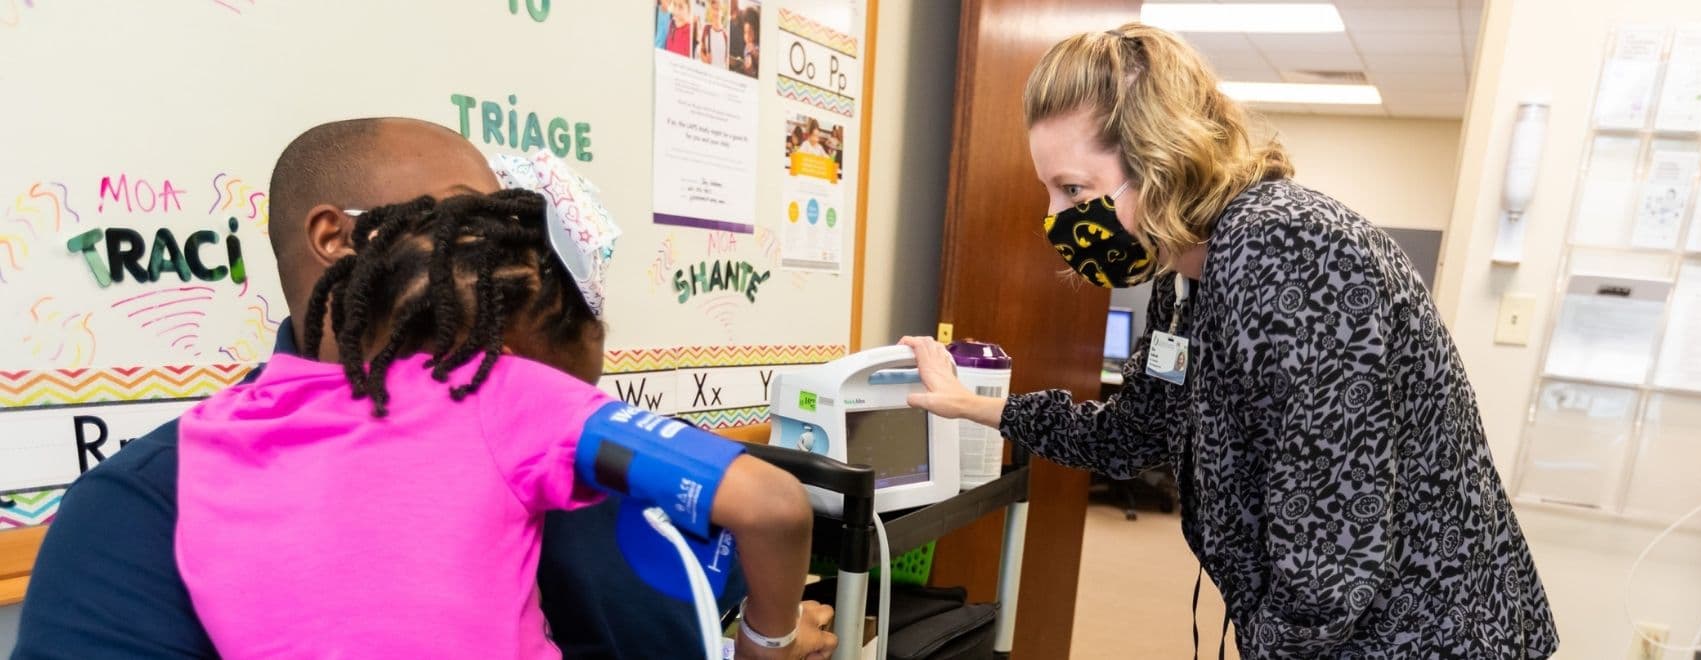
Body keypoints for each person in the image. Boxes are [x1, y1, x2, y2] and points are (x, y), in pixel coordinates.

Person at [13, 118, 836, 659]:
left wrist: (756, 642)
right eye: (463, 220)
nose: (497, 251)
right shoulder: (147, 509)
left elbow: (735, 555)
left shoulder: (557, 427)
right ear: (336, 238)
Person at [900, 24, 1558, 658]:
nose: (1056, 218)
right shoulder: (1183, 283)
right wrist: (974, 405)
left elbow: (1332, 545)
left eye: (1075, 189)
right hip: (1337, 626)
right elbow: (1135, 434)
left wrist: (1272, 642)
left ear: (1162, 162)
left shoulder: (1286, 246)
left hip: (1422, 635)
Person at [174, 181, 826, 659]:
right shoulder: (497, 391)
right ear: (497, 358)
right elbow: (773, 506)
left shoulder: (218, 426)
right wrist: (767, 642)